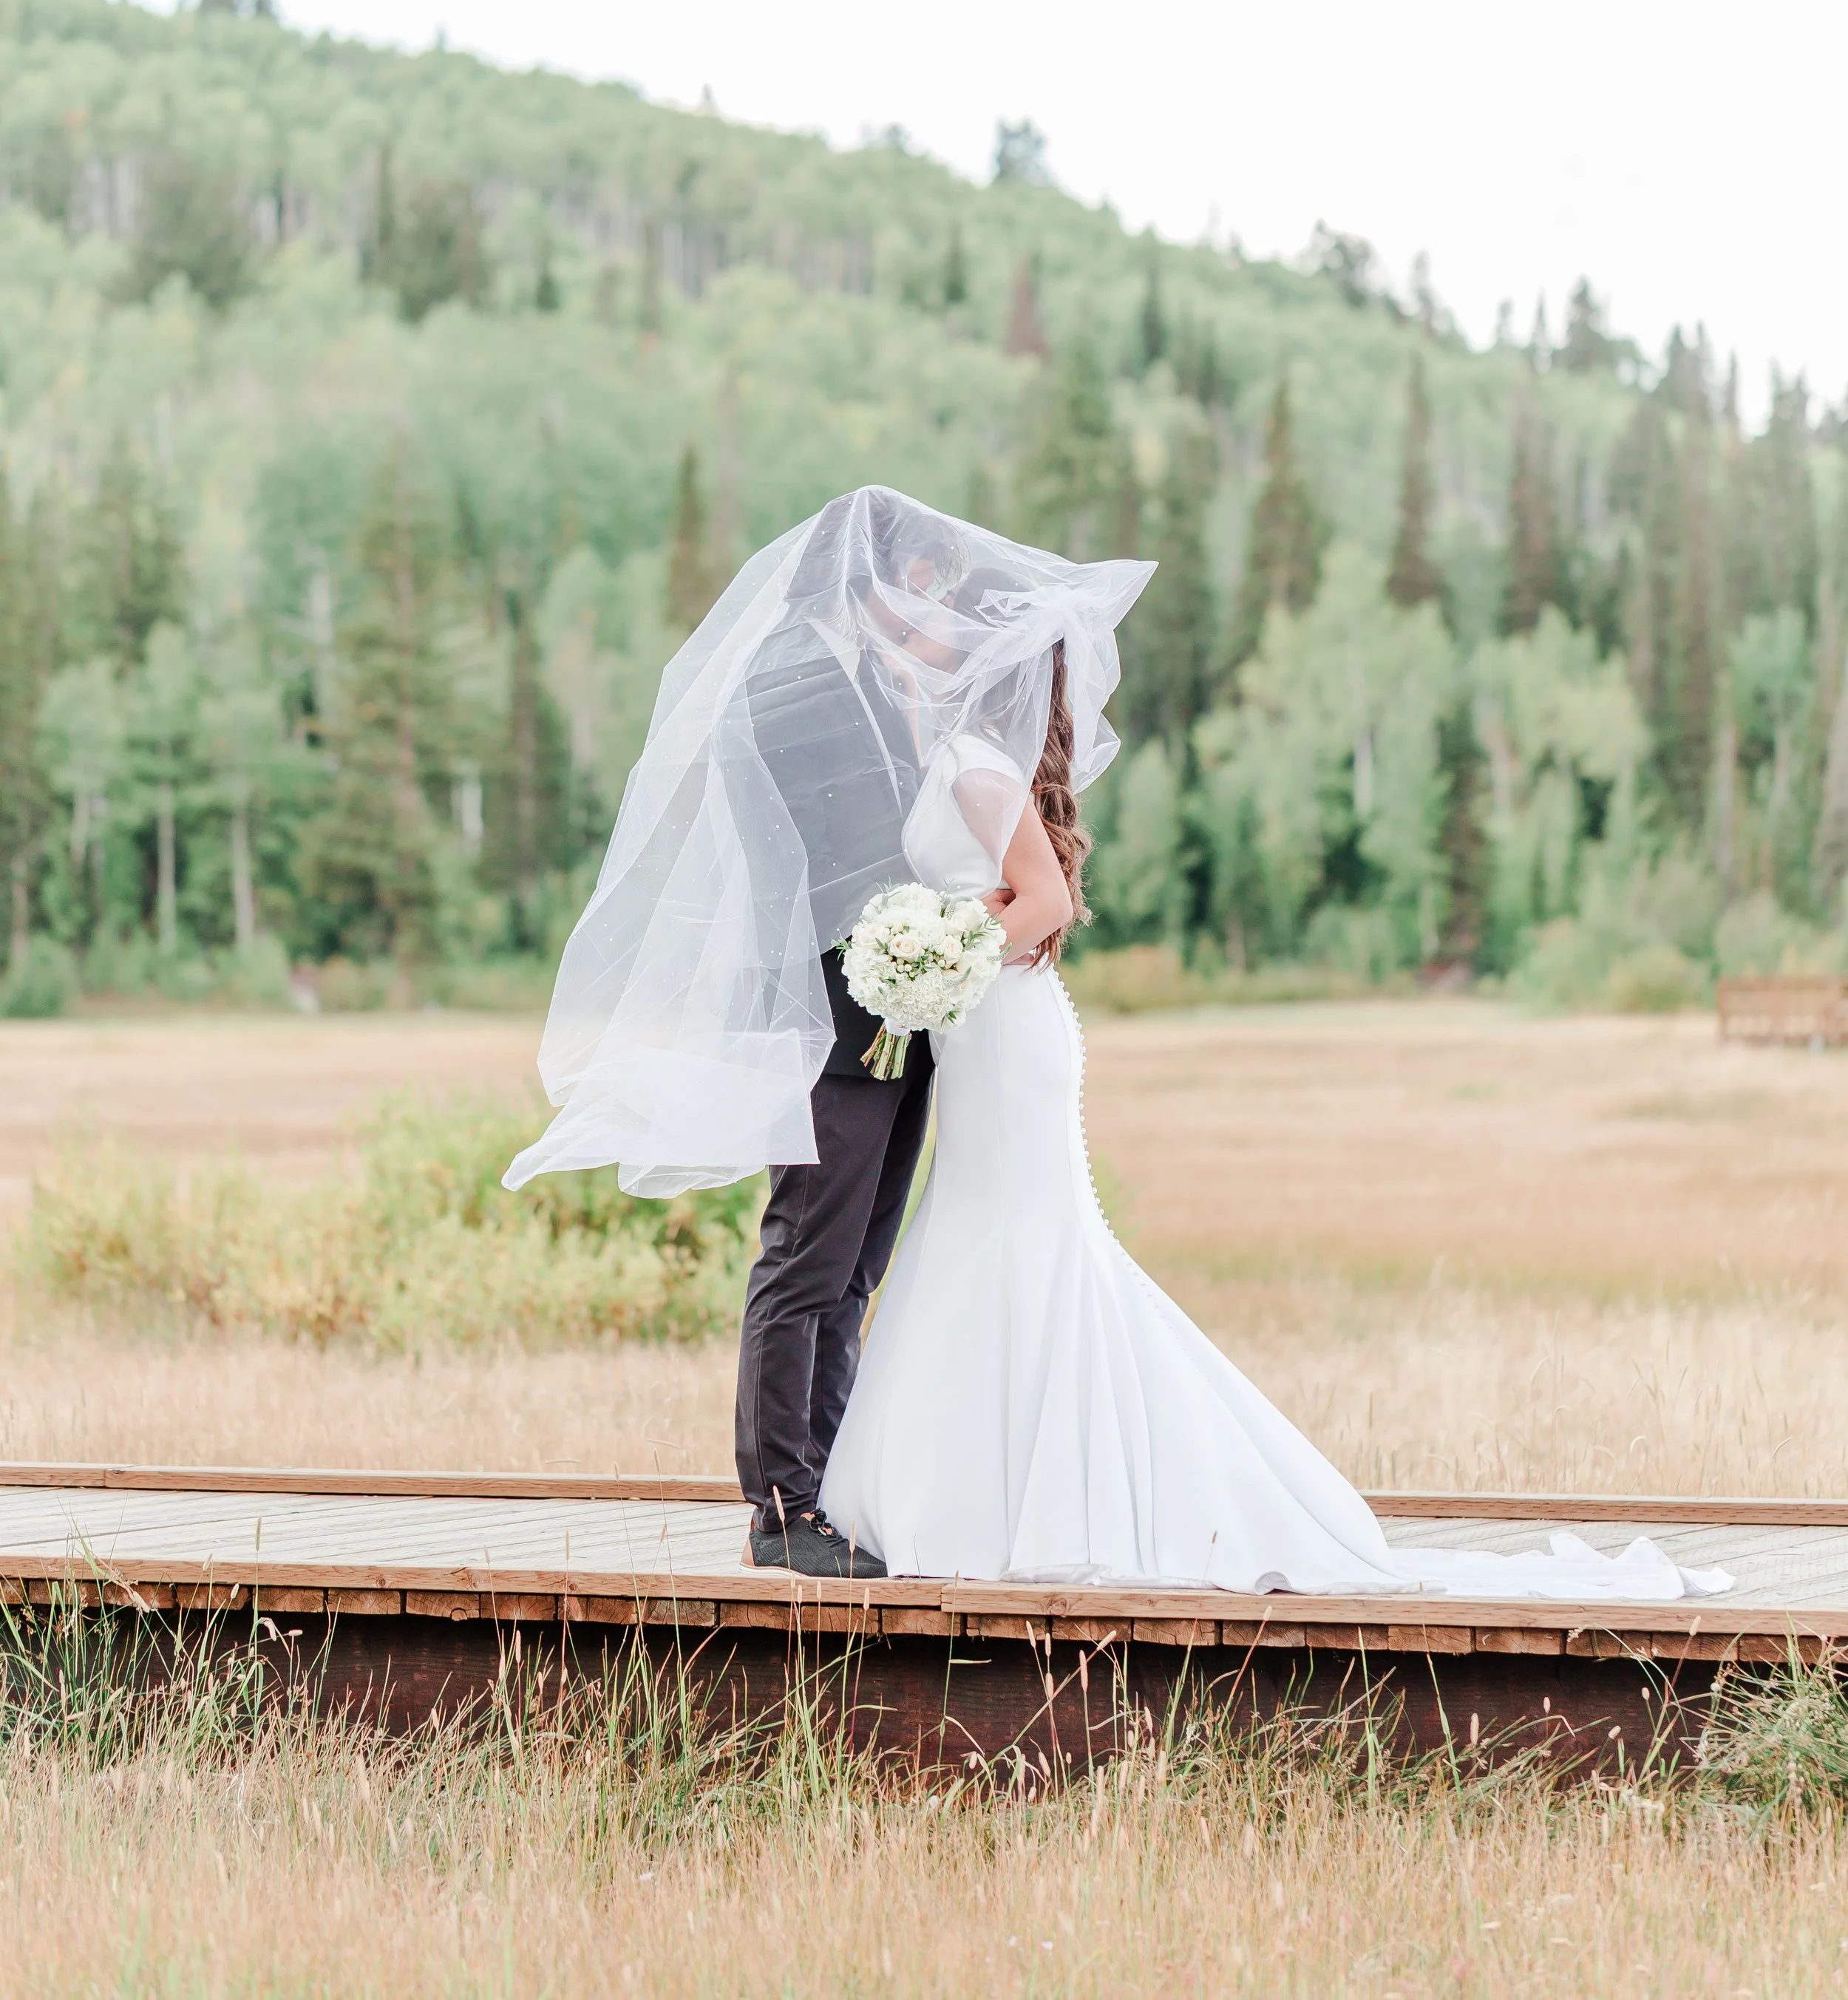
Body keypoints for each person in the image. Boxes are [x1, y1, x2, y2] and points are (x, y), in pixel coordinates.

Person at [819, 633, 1730, 1606]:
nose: (935, 656)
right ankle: (1002, 1496)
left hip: (1003, 1030)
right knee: (989, 1226)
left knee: (1014, 1232)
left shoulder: (975, 765)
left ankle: (1017, 1504)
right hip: (983, 1029)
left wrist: (940, 954)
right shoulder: (957, 753)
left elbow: (1044, 900)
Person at [503, 486, 1152, 1577]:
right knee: (807, 1257)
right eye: (924, 583)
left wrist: (936, 950)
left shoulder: (875, 678)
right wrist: (932, 939)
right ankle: (780, 1504)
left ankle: (830, 1486)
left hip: (904, 1010)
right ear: (876, 576)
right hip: (836, 1016)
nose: (932, 604)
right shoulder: (795, 676)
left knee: (856, 1267)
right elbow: (836, 855)